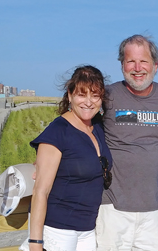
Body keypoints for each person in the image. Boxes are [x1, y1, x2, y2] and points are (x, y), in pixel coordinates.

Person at [96, 34, 158, 251]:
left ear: (155, 65)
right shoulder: (107, 95)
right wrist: (48, 158)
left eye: (143, 61)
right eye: (130, 61)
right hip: (112, 207)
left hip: (153, 209)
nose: (137, 68)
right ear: (122, 64)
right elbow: (78, 127)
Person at [26, 65, 113, 251]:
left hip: (88, 228)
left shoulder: (97, 126)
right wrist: (35, 243)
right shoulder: (58, 132)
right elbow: (40, 192)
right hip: (58, 229)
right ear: (70, 95)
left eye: (95, 95)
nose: (89, 102)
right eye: (82, 95)